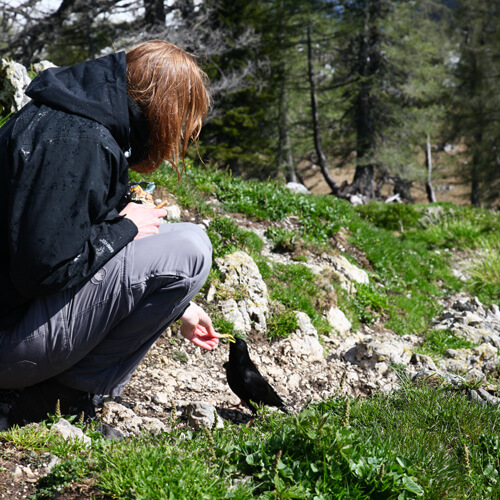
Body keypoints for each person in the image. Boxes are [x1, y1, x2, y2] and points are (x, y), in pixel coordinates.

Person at [0, 40, 219, 426]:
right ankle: (56, 398)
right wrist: (126, 228)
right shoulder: (79, 140)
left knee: (162, 236)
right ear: (163, 109)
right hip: (7, 342)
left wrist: (178, 305)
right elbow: (43, 270)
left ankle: (50, 392)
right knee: (190, 247)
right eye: (182, 123)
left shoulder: (65, 117)